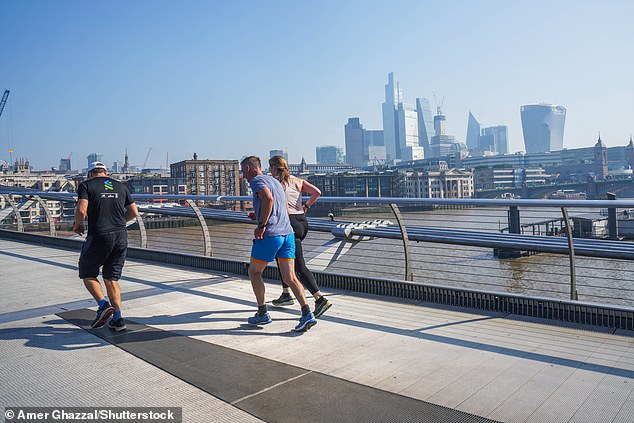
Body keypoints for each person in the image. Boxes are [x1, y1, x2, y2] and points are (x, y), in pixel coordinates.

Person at [240, 156, 317, 332]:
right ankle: (306, 313)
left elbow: (268, 200)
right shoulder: (273, 180)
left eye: (243, 171)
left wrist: (261, 225)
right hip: (288, 234)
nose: (243, 175)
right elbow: (277, 204)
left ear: (250, 168)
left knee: (254, 272)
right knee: (290, 277)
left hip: (271, 235)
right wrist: (258, 214)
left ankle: (262, 313)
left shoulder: (257, 181)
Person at [73, 162, 139, 331]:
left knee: (87, 272)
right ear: (106, 173)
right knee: (111, 278)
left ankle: (103, 305)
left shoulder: (86, 185)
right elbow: (133, 212)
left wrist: (77, 225)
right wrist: (117, 222)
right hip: (121, 236)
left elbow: (81, 210)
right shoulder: (120, 186)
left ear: (89, 174)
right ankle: (118, 319)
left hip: (100, 235)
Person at [268, 155, 332, 318]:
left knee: (298, 266)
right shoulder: (297, 180)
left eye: (270, 167)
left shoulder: (275, 183)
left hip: (288, 223)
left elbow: (270, 203)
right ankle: (285, 293)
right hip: (302, 221)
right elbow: (317, 192)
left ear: (274, 168)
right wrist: (306, 205)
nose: (269, 170)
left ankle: (320, 299)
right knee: (283, 257)